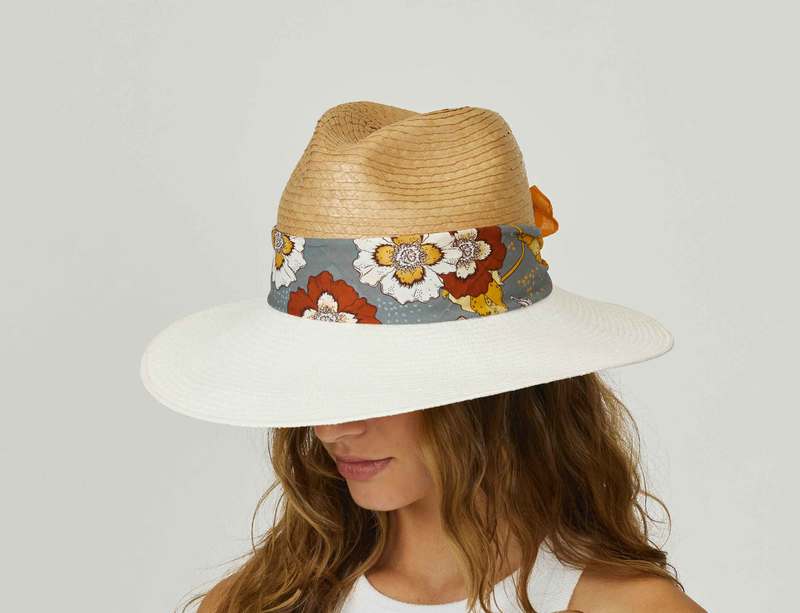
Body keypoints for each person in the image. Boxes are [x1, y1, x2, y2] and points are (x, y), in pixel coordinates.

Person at [141, 101, 706, 612]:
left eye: (377, 383)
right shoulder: (251, 605)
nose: (331, 428)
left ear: (498, 390)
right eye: (316, 384)